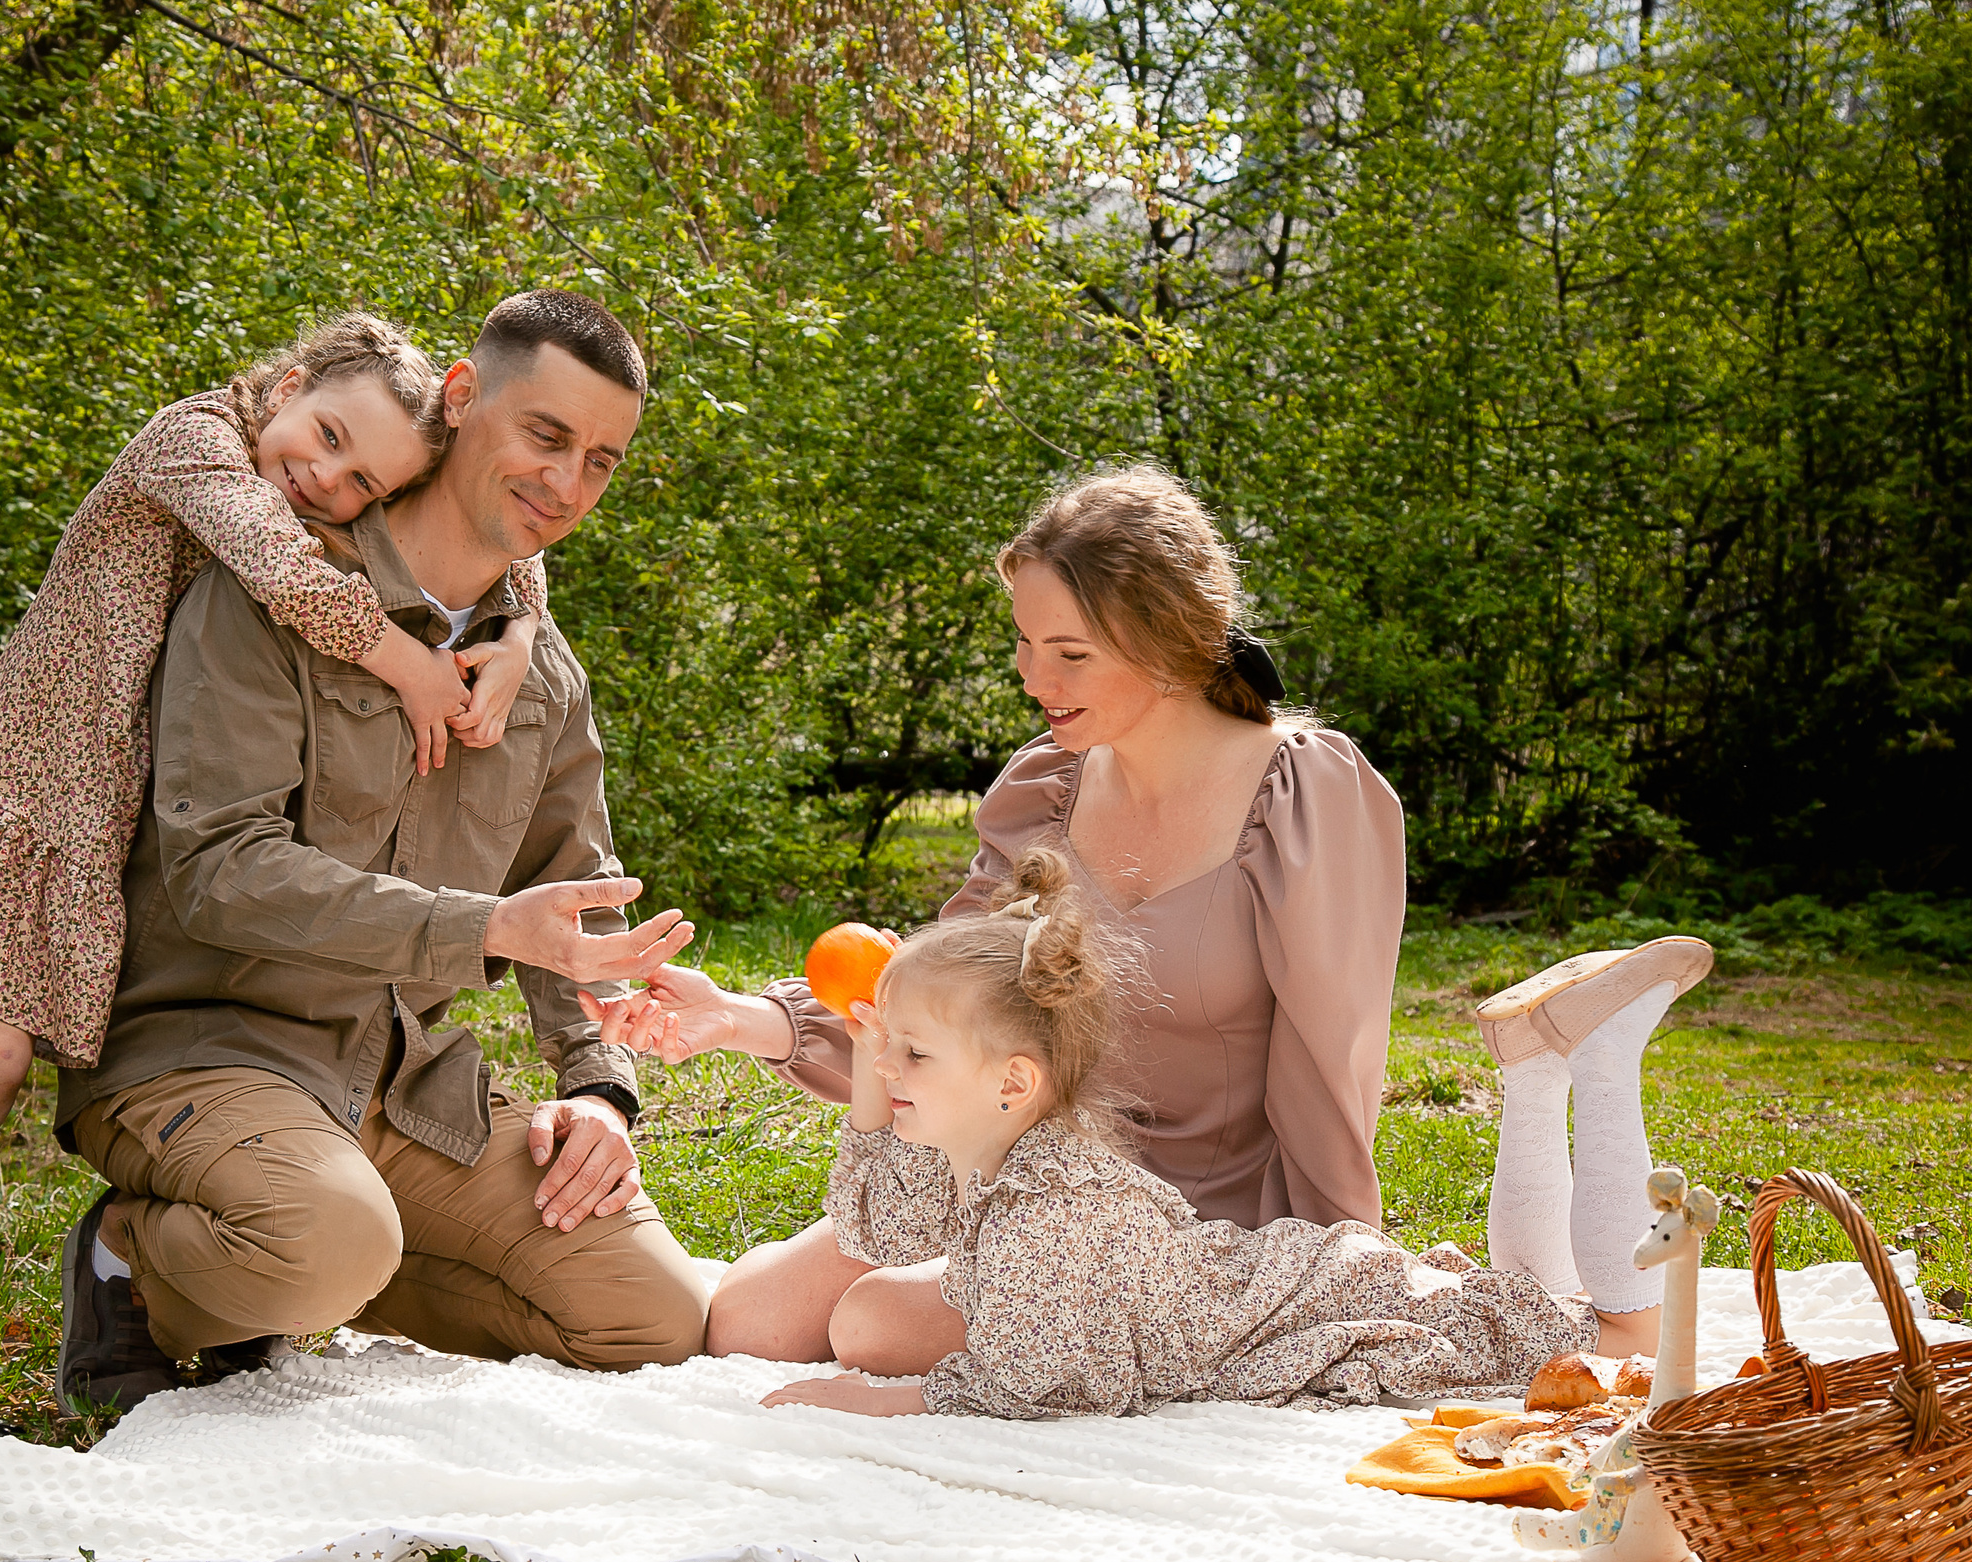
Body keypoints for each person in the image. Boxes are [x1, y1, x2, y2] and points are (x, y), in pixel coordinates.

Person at [0, 308, 557, 1431]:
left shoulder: (308, 484)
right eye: (330, 437)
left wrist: (523, 634)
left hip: (124, 811)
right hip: (48, 789)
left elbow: (499, 551)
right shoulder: (191, 443)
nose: (330, 483)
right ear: (291, 381)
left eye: (363, 484)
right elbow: (281, 572)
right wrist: (409, 663)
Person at [589, 463, 1410, 1376]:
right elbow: (946, 993)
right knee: (747, 1322)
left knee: (874, 1323)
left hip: (1195, 1224)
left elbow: (1333, 1065)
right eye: (1025, 642)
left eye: (1069, 654)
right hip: (1020, 1178)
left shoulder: (1305, 793)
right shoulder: (1044, 786)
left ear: (1172, 642)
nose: (1033, 677)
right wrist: (745, 1019)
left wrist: (1332, 1269)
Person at [49, 288, 712, 1416]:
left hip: (403, 1084)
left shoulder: (538, 674)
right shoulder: (273, 598)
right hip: (211, 1049)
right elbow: (217, 873)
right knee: (324, 1245)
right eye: (544, 436)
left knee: (648, 1320)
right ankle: (133, 1263)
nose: (565, 484)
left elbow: (580, 900)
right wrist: (482, 926)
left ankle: (312, 1258)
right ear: (461, 400)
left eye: (599, 460)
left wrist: (600, 1092)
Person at [744, 847, 1629, 1420]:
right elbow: (880, 1229)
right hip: (1264, 1280)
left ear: (1012, 1081)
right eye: (884, 1048)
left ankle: (1566, 1069)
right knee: (1528, 1298)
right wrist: (871, 1057)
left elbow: (1053, 1386)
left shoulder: (1045, 1208)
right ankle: (1538, 1073)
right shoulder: (991, 1140)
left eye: (912, 1053)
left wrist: (871, 1403)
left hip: (1307, 1299)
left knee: (1579, 1341)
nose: (889, 1069)